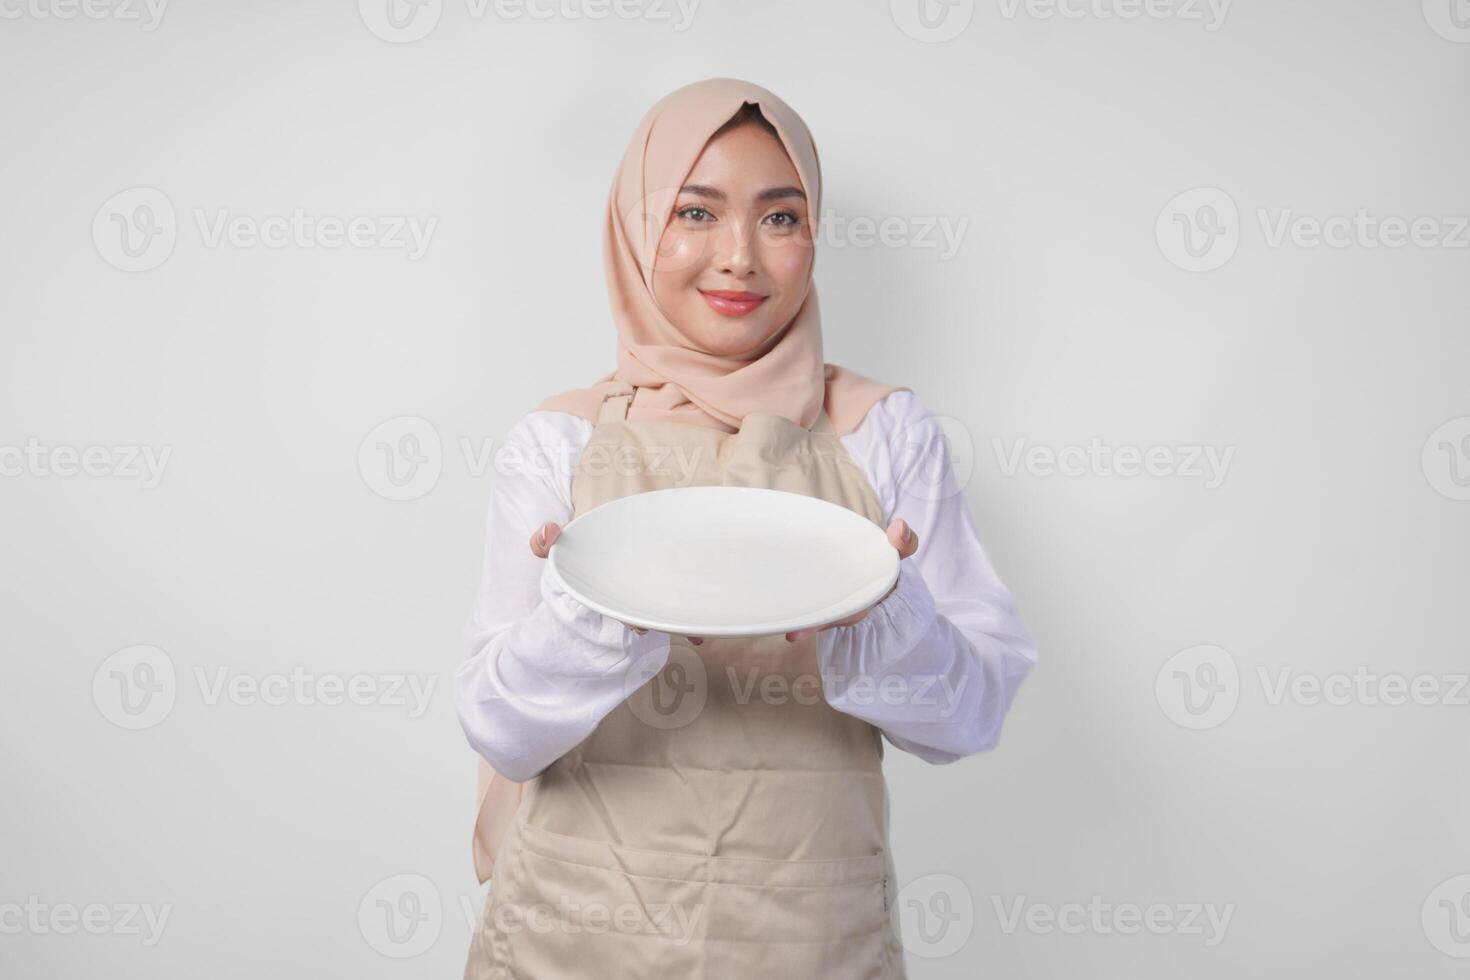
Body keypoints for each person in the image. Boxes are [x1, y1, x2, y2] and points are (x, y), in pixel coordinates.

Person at [455, 77, 1038, 979]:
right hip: (570, 936)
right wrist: (585, 614)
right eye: (695, 212)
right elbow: (498, 729)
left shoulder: (883, 431)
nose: (739, 258)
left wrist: (884, 615)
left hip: (810, 936)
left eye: (779, 217)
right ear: (635, 230)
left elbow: (970, 717)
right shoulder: (560, 440)